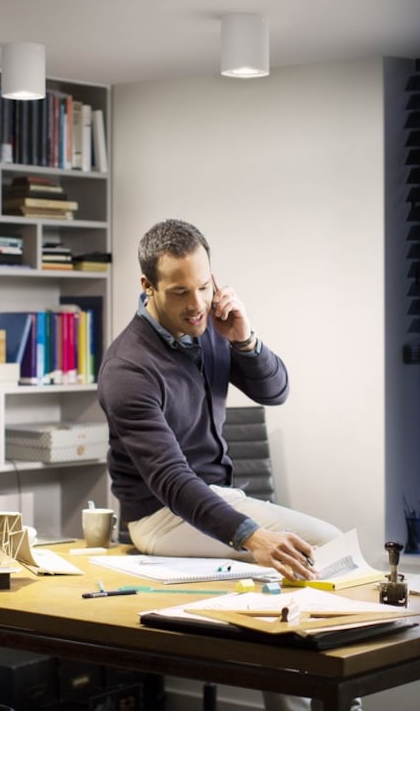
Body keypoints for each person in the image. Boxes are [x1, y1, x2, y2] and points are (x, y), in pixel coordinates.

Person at [99, 221, 354, 711]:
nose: (196, 303)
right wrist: (251, 536)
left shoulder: (208, 328)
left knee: (308, 567)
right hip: (160, 515)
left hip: (216, 498)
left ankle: (322, 708)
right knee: (324, 546)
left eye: (204, 286)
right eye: (179, 292)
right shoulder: (128, 368)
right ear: (147, 286)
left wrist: (244, 339)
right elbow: (171, 479)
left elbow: (275, 392)